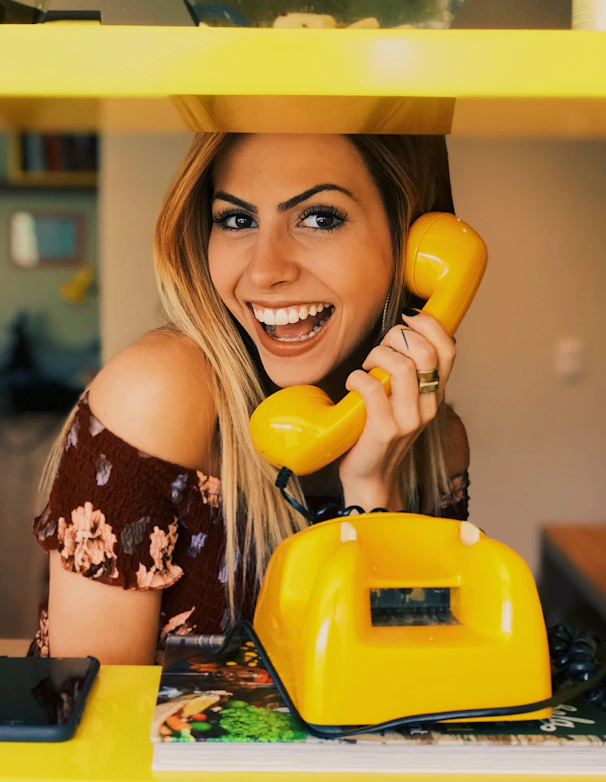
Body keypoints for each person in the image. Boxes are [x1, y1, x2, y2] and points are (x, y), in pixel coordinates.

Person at [30, 133, 470, 665]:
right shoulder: (156, 396)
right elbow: (96, 720)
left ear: (415, 246)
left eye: (320, 217)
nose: (264, 271)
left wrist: (373, 492)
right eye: (237, 220)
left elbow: (408, 689)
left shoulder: (434, 441)